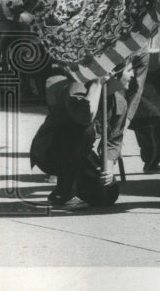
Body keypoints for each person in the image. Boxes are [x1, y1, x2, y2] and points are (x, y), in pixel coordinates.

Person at [30, 72, 118, 208]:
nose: (133, 77)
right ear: (112, 75)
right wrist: (97, 84)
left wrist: (108, 168)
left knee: (107, 195)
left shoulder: (119, 103)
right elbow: (84, 117)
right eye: (129, 72)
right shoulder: (76, 87)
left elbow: (115, 139)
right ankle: (63, 192)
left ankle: (76, 187)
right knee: (85, 131)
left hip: (80, 153)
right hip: (51, 151)